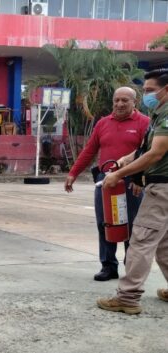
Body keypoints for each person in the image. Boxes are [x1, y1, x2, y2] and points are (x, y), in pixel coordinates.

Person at [97, 69, 168, 315]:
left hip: (163, 188)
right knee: (164, 244)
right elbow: (143, 149)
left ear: (166, 89)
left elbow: (156, 153)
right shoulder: (158, 114)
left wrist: (119, 174)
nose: (147, 95)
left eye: (150, 91)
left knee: (141, 240)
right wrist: (124, 161)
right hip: (161, 185)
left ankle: (128, 297)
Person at [64, 87, 150, 281]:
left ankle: (132, 267)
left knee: (133, 223)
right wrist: (73, 173)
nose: (120, 104)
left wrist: (141, 177)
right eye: (116, 100)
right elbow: (89, 150)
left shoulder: (144, 123)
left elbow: (148, 153)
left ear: (134, 102)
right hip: (105, 179)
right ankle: (108, 266)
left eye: (125, 101)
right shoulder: (103, 123)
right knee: (105, 222)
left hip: (132, 180)